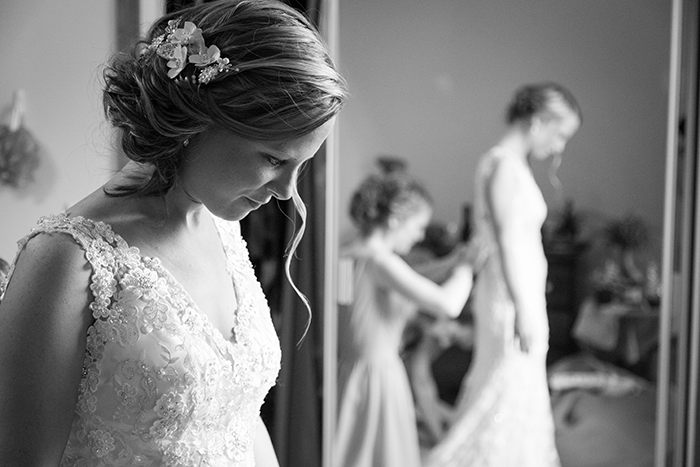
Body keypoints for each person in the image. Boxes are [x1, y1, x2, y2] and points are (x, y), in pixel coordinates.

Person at [0, 1, 347, 466]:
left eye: (302, 165)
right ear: (196, 121)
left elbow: (238, 416)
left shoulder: (226, 231)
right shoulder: (66, 260)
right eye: (274, 159)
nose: (287, 192)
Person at [425, 82, 581, 467]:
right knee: (510, 382)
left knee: (516, 386)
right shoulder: (503, 165)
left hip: (518, 293)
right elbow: (508, 241)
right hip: (513, 300)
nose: (559, 147)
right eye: (560, 135)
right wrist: (526, 306)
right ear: (539, 120)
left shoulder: (507, 164)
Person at [333, 172, 483, 467]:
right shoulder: (381, 261)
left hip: (349, 373)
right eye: (418, 227)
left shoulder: (349, 252)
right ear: (394, 221)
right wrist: (465, 268)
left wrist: (451, 262)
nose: (419, 236)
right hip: (379, 376)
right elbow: (448, 305)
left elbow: (412, 281)